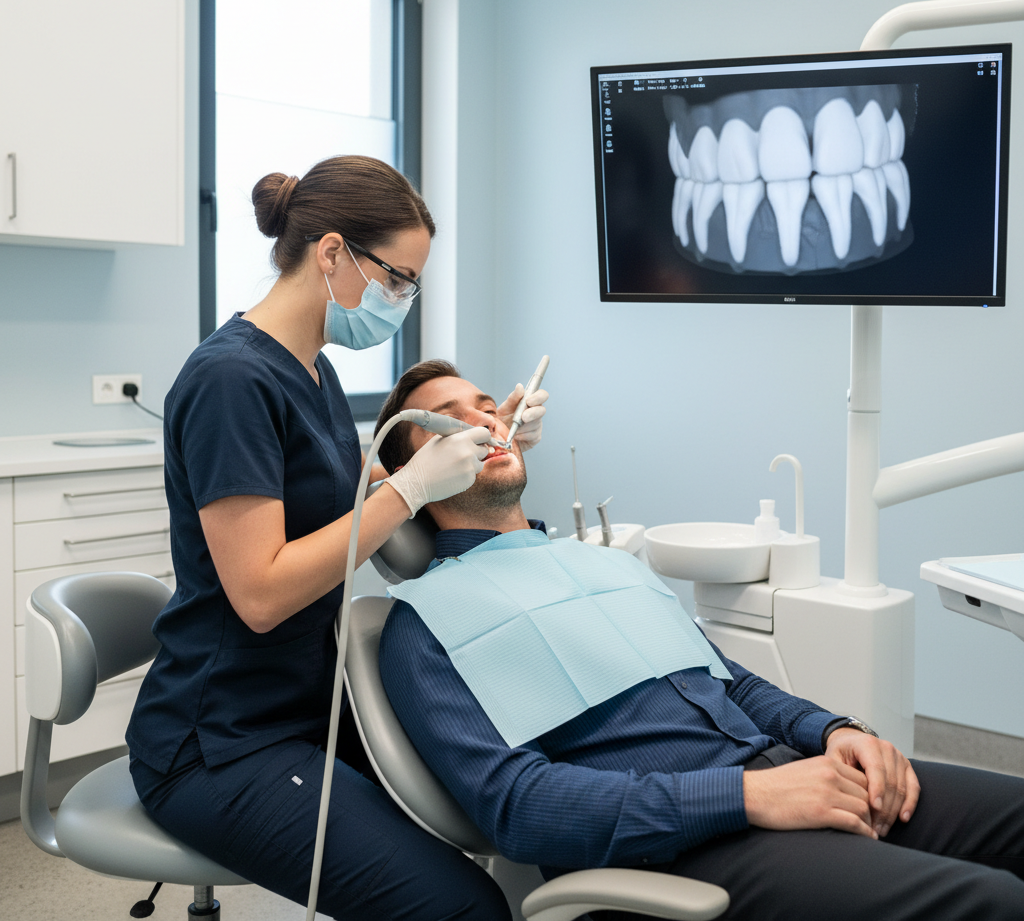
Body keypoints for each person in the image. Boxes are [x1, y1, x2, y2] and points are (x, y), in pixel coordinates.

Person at [375, 359, 1024, 921]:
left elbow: (729, 684)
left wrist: (834, 731)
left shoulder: (604, 564)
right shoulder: (423, 625)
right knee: (993, 901)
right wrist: (746, 797)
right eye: (449, 421)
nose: (485, 422)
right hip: (687, 848)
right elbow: (520, 810)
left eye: (489, 408)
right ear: (411, 475)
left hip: (787, 771)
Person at [126, 157, 547, 920]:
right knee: (459, 907)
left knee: (519, 803)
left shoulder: (312, 370)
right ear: (331, 253)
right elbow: (261, 594)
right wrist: (411, 488)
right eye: (398, 279)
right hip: (221, 739)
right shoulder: (231, 381)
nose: (401, 301)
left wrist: (489, 444)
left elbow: (352, 499)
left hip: (309, 699)